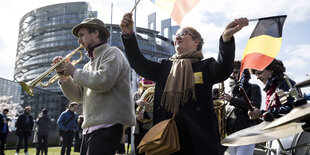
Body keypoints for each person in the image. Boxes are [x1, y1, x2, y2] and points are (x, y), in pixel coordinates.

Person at [120, 13, 248, 154]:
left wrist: (226, 39)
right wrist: (128, 35)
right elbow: (138, 64)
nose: (177, 36)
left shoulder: (205, 66)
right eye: (176, 34)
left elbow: (224, 69)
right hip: (167, 141)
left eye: (184, 33)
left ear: (196, 42)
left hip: (199, 142)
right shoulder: (164, 66)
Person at [53, 18, 135, 155]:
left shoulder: (113, 53)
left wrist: (74, 72)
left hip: (108, 125)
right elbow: (78, 96)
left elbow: (104, 81)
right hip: (90, 128)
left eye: (81, 35)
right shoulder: (87, 65)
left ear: (95, 33)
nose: (79, 40)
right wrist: (63, 77)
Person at [219, 61, 261, 155]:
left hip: (246, 133)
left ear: (243, 73)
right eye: (231, 72)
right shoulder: (231, 91)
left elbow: (255, 106)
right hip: (232, 133)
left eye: (235, 72)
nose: (232, 75)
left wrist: (232, 100)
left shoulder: (254, 87)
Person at [133, 80, 154, 155]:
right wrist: (136, 103)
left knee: (148, 151)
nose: (145, 90)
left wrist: (145, 115)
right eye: (144, 87)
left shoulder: (154, 94)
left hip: (149, 127)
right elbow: (129, 108)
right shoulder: (136, 95)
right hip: (137, 128)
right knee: (138, 150)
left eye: (147, 88)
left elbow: (155, 110)